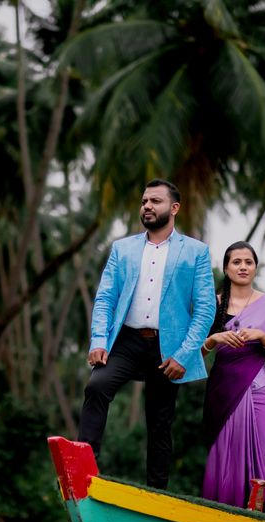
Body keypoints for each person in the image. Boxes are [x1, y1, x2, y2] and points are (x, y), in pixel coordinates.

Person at [78, 179, 216, 489]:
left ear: (174, 208)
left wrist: (183, 354)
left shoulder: (196, 252)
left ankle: (156, 494)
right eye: (144, 201)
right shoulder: (122, 248)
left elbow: (205, 310)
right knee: (97, 387)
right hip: (125, 342)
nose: (147, 206)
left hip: (168, 348)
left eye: (155, 201)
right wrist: (99, 341)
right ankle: (83, 471)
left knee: (159, 422)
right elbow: (105, 299)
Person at [199, 241, 265, 518]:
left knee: (263, 459)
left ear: (255, 268)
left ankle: (263, 519)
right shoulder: (212, 304)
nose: (243, 267)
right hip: (223, 394)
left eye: (248, 262)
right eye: (236, 262)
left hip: (260, 392)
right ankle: (220, 521)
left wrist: (264, 337)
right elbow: (191, 353)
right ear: (226, 268)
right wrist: (213, 339)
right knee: (225, 462)